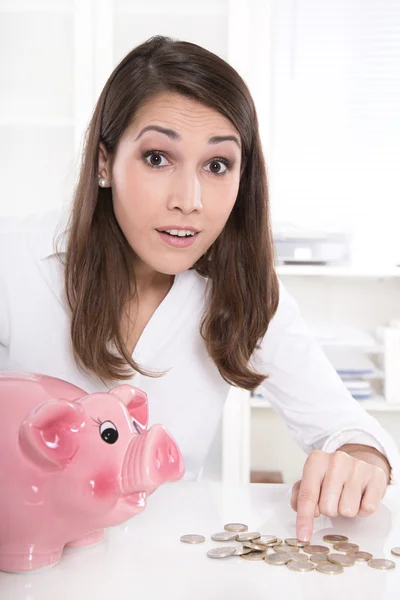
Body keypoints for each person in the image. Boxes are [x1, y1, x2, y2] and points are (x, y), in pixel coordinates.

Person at [1, 35, 399, 544]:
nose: (188, 201)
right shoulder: (14, 263)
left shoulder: (244, 295)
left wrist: (361, 461)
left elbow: (348, 427)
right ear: (104, 163)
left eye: (216, 166)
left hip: (170, 566)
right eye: (157, 158)